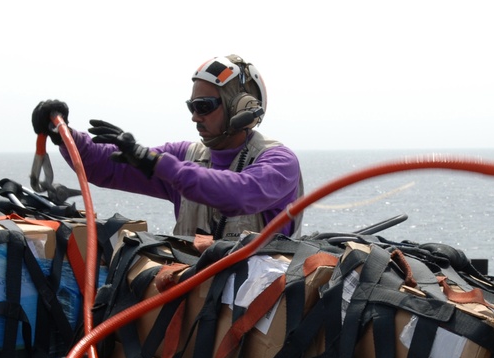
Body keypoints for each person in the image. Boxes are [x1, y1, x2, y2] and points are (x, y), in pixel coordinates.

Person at [32, 54, 303, 247]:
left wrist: (157, 163)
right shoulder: (185, 157)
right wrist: (62, 133)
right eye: (192, 106)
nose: (195, 117)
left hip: (258, 316)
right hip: (192, 309)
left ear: (240, 108)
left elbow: (239, 194)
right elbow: (104, 166)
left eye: (204, 106)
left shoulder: (279, 162)